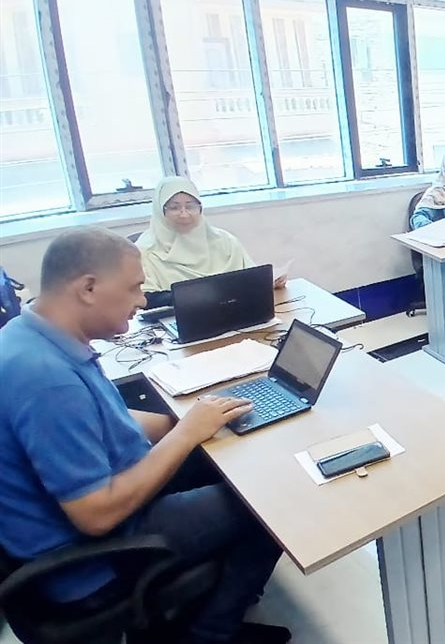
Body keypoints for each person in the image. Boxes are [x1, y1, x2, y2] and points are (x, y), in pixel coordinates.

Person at [0, 227, 290, 644]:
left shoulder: (30, 335)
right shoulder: (46, 380)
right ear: (88, 288)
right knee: (271, 501)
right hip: (91, 557)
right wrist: (185, 435)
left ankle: (205, 603)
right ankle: (209, 634)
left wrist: (192, 423)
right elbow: (96, 515)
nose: (141, 301)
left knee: (228, 455)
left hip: (107, 495)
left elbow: (110, 418)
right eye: (134, 288)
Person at [137, 177, 282, 309]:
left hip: (233, 313)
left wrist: (267, 282)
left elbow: (250, 277)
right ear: (160, 210)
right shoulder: (145, 251)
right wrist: (193, 296)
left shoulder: (225, 241)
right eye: (174, 207)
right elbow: (143, 299)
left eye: (190, 206)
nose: (184, 214)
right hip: (176, 318)